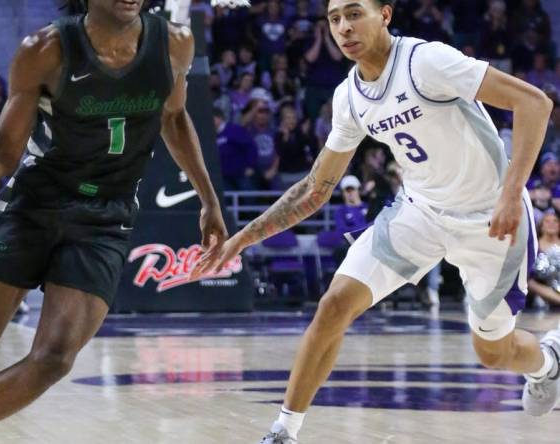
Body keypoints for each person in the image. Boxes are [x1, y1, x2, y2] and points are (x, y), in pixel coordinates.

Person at [192, 1, 560, 442]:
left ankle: (548, 363)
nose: (344, 28)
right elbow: (315, 190)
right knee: (333, 306)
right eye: (334, 19)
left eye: (354, 14)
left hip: (492, 220)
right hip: (420, 213)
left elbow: (534, 103)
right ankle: (284, 431)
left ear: (384, 15)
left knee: (494, 354)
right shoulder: (348, 96)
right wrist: (241, 240)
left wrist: (509, 193)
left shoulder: (426, 61)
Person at [0, 0, 227, 442]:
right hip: (36, 202)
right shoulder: (46, 50)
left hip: (106, 216)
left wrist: (208, 200)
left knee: (56, 356)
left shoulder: (175, 44)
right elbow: (3, 151)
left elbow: (173, 117)